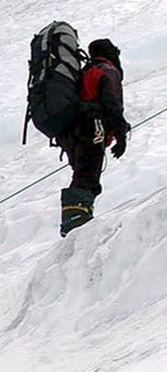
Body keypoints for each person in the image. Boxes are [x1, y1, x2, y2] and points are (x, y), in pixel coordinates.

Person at [56, 38, 129, 236]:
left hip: (73, 134)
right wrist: (121, 133)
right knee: (88, 174)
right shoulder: (107, 71)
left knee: (82, 173)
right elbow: (111, 103)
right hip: (91, 130)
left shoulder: (85, 71)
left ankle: (74, 222)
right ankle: (77, 225)